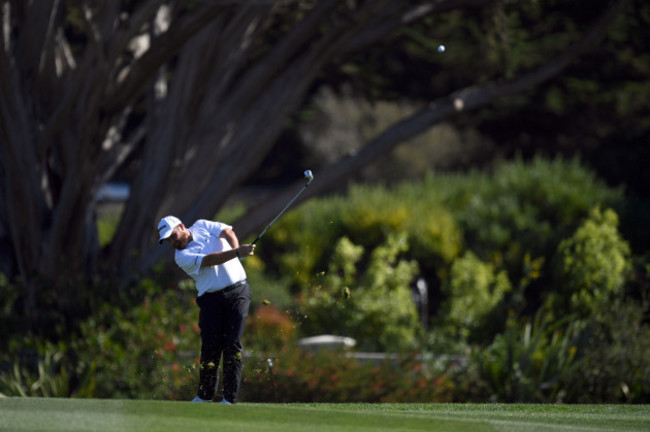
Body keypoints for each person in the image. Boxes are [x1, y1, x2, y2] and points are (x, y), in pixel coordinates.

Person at [157, 215, 256, 404]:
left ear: (182, 226)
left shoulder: (202, 225)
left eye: (173, 235)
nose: (172, 241)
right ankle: (205, 396)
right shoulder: (181, 257)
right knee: (211, 347)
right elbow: (210, 260)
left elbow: (227, 231)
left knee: (232, 344)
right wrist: (237, 253)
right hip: (211, 300)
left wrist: (237, 249)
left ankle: (229, 398)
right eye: (168, 240)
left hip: (238, 291)